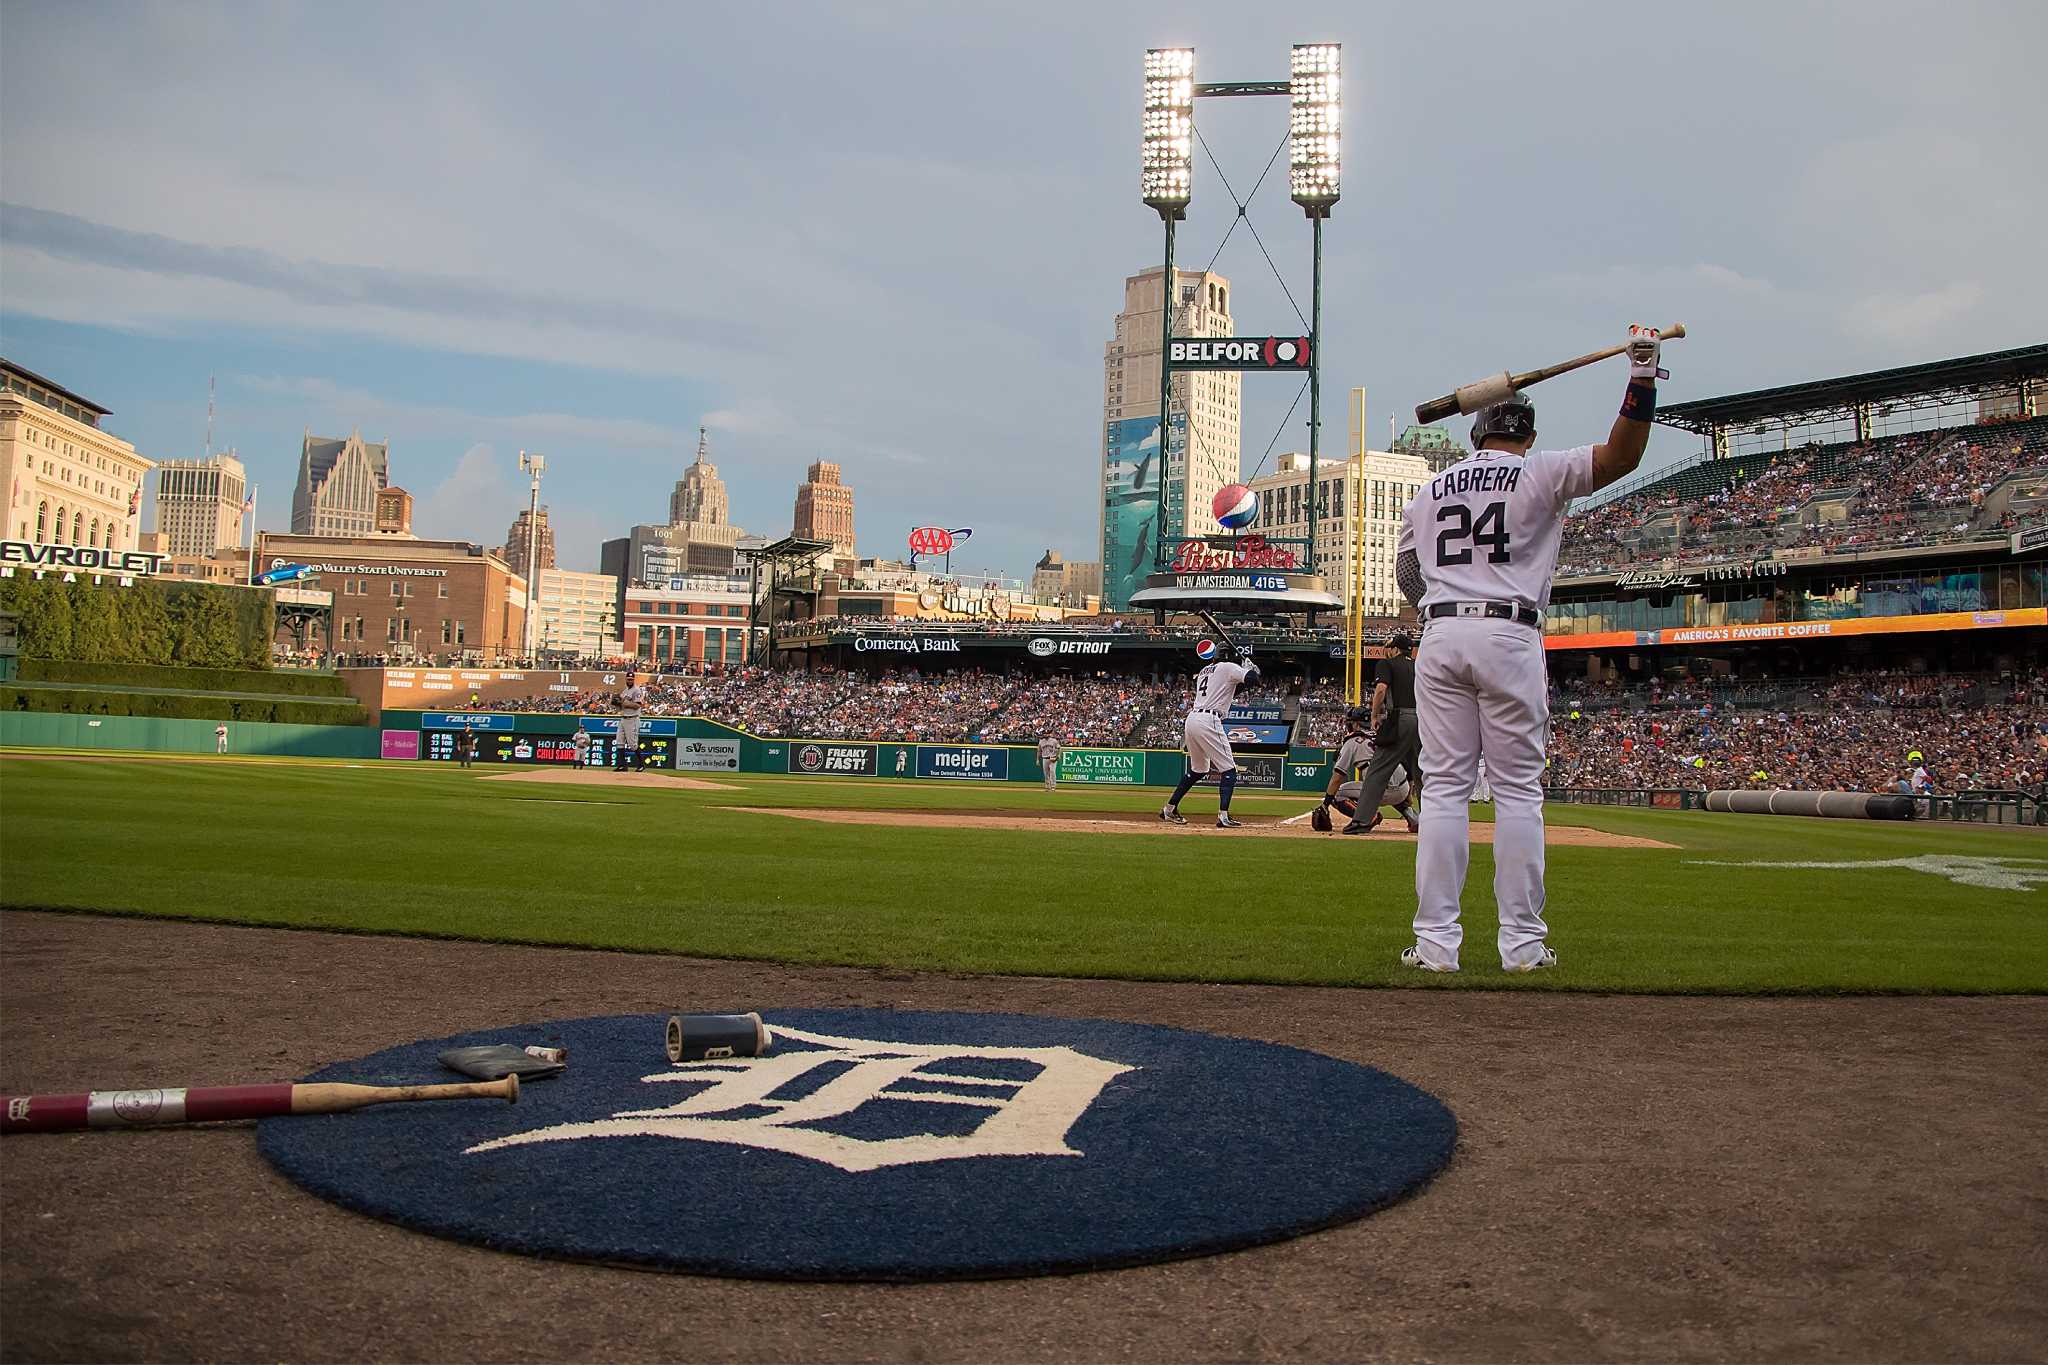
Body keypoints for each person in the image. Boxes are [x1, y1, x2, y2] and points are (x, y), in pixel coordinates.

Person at [1392, 323, 1663, 973]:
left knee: (1448, 792)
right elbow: (1621, 458)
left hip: (1442, 631)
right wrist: (1642, 379)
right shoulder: (1541, 470)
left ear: (1475, 435)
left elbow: (1407, 576)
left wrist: (1444, 601)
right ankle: (1520, 945)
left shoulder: (1429, 491)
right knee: (1516, 792)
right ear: (1528, 435)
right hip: (1509, 630)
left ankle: (1435, 946)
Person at [1160, 642, 1258, 829]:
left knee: (1199, 770)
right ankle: (1223, 816)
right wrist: (1251, 670)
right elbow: (1252, 680)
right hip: (1209, 720)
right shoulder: (1228, 667)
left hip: (1193, 719)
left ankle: (1169, 809)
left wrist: (1250, 672)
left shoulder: (1205, 670)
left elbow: (1231, 690)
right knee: (1229, 770)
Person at [1341, 632, 1420, 834]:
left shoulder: (1388, 664)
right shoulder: (1419, 665)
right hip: (1422, 719)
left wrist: (1375, 715)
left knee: (1377, 771)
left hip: (1399, 718)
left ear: (1394, 649)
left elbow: (1381, 690)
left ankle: (1362, 821)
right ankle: (1431, 823)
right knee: (1423, 774)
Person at [1317, 706, 1418, 833]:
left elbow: (1337, 778)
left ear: (1356, 724)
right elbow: (1406, 762)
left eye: (1350, 722)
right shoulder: (1382, 735)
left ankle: (1366, 817)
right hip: (1403, 788)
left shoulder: (1352, 741)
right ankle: (1413, 818)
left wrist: (1325, 804)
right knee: (1387, 781)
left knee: (1338, 793)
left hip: (1380, 790)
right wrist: (1408, 793)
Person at [614, 672, 650, 772]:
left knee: (632, 744)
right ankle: (622, 765)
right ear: (625, 679)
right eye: (628, 679)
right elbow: (621, 706)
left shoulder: (637, 690)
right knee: (619, 742)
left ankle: (641, 764)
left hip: (632, 718)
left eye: (631, 679)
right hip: (623, 718)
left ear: (634, 680)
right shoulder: (625, 691)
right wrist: (616, 704)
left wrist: (625, 703)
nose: (630, 681)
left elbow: (637, 705)